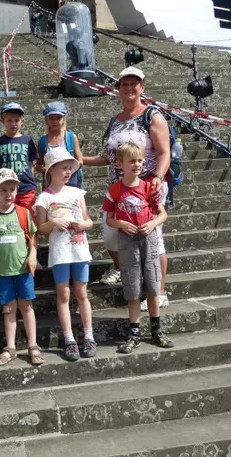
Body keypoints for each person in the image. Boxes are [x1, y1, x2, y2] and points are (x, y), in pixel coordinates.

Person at [84, 66, 171, 310]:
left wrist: (157, 177)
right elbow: (108, 157)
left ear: (142, 87)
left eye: (135, 83)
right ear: (118, 89)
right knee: (110, 235)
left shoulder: (152, 116)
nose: (130, 88)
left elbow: (164, 152)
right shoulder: (115, 120)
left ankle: (159, 292)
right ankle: (123, 268)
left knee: (153, 240)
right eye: (124, 84)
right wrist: (78, 160)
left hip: (146, 186)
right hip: (119, 189)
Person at [104, 143, 174, 353]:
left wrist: (153, 224)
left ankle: (156, 330)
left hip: (148, 238)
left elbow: (162, 213)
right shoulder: (115, 190)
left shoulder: (149, 187)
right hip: (127, 240)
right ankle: (134, 332)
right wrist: (120, 224)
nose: (136, 164)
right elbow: (109, 219)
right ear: (120, 164)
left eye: (139, 160)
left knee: (153, 285)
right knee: (132, 287)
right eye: (131, 161)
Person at [35, 147, 95, 361]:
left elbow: (89, 221)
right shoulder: (43, 197)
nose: (68, 172)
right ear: (51, 170)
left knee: (81, 292)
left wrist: (83, 224)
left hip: (79, 250)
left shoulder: (77, 193)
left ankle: (89, 336)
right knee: (64, 294)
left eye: (70, 168)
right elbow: (40, 228)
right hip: (60, 252)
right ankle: (69, 339)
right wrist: (53, 222)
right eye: (63, 168)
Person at [0, 168, 44, 367]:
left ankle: (33, 345)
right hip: (2, 272)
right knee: (9, 309)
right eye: (3, 190)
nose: (8, 194)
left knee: (26, 306)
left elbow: (33, 239)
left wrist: (33, 257)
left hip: (23, 270)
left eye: (12, 190)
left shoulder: (24, 213)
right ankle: (10, 347)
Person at [0, 103, 38, 219]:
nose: (13, 124)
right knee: (10, 218)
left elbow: (31, 163)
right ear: (2, 121)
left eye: (16, 120)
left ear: (22, 121)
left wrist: (30, 180)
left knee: (29, 218)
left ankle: (30, 237)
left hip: (26, 187)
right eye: (9, 120)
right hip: (7, 188)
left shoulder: (28, 140)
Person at [36, 101, 84, 189]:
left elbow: (80, 161)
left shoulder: (71, 137)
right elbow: (38, 166)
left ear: (63, 120)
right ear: (46, 120)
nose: (55, 121)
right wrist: (51, 170)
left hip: (71, 184)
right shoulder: (42, 141)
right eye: (51, 118)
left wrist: (68, 170)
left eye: (58, 118)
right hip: (51, 185)